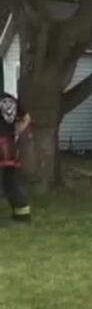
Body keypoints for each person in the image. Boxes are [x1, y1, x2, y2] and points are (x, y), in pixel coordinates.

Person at [0, 92, 32, 223]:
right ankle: (22, 214)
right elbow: (27, 118)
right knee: (11, 181)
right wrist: (16, 132)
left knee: (8, 181)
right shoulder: (9, 99)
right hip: (10, 144)